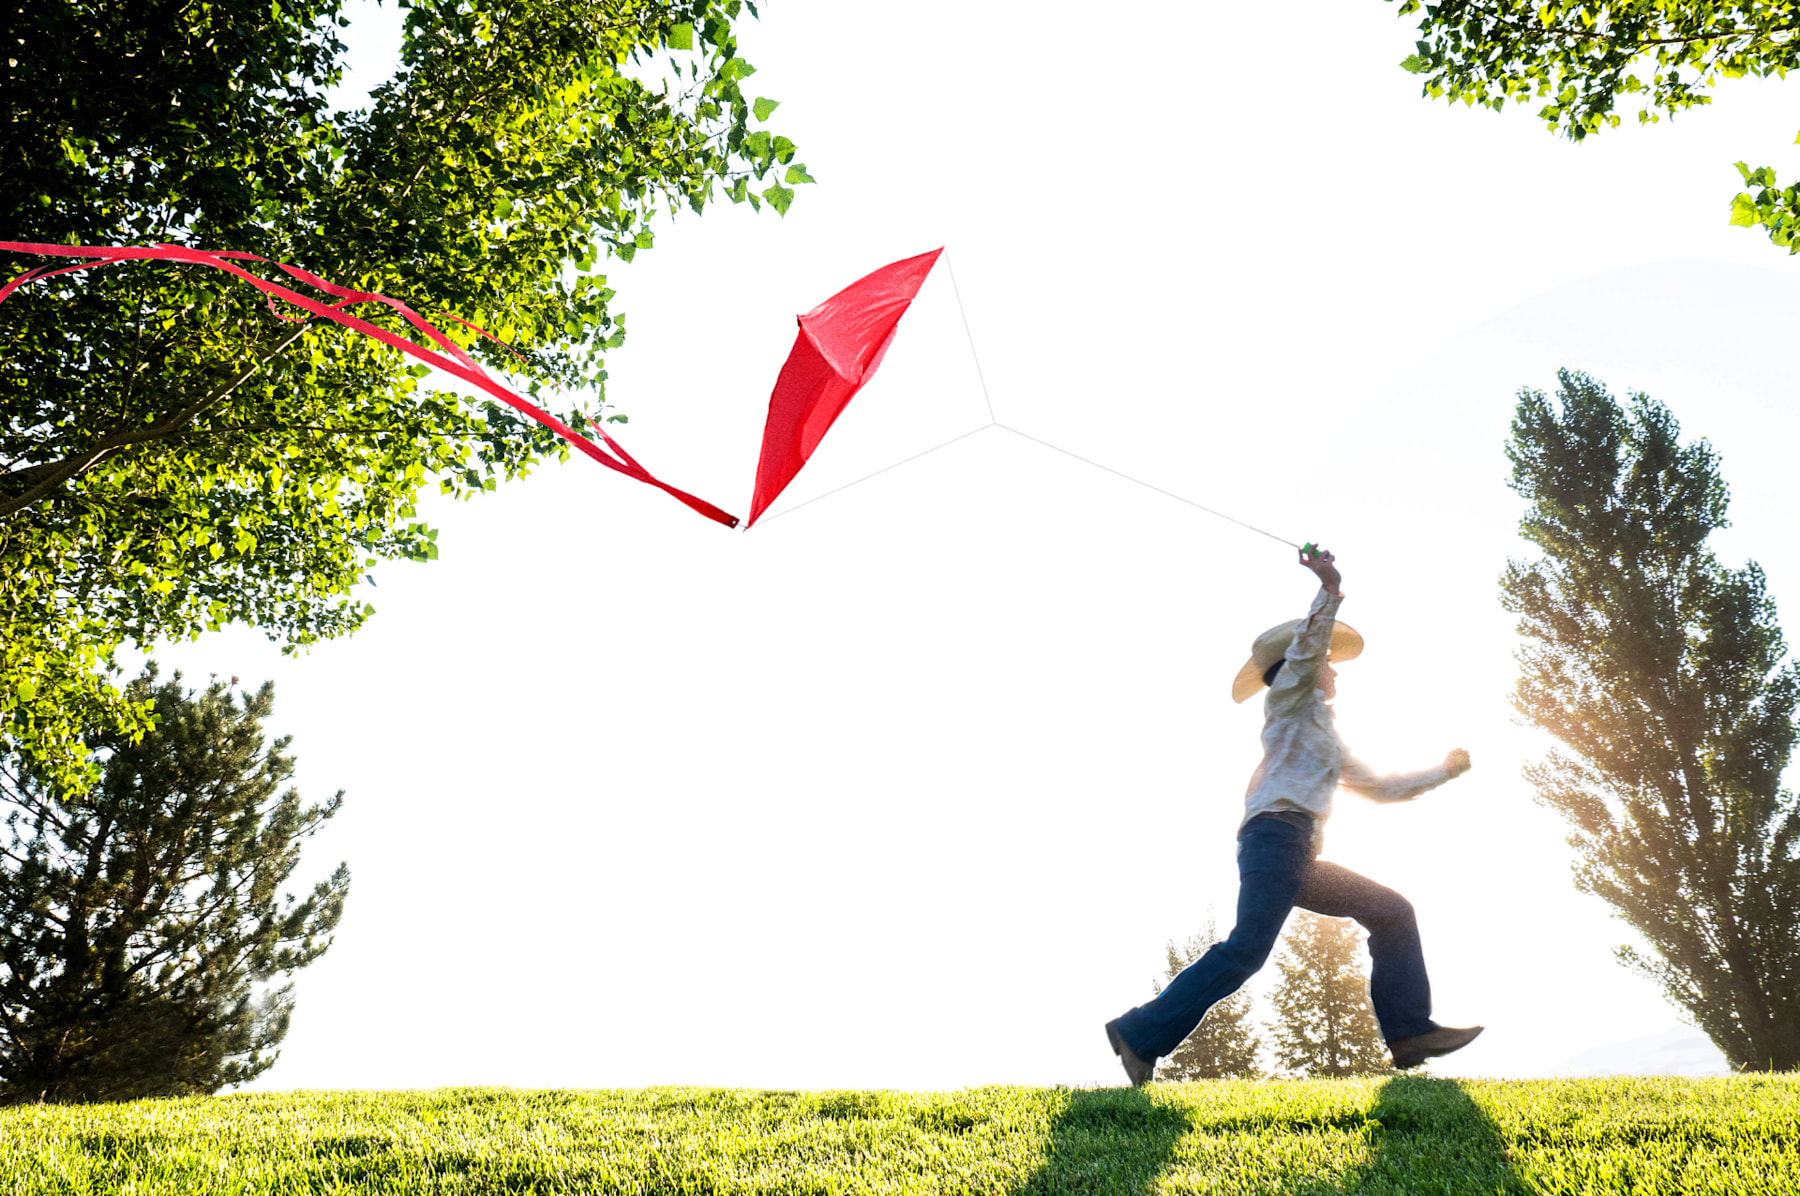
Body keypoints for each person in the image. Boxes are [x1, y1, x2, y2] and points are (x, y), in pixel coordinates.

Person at [1104, 546, 1480, 1084]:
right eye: (1326, 660)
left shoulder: (1322, 734)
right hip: (1274, 839)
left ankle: (1410, 1032)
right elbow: (1306, 654)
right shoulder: (1288, 697)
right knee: (1246, 950)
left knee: (1393, 912)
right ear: (1295, 671)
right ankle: (1137, 1032)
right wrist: (1330, 589)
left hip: (1299, 850)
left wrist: (1445, 772)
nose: (1332, 668)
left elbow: (1376, 786)